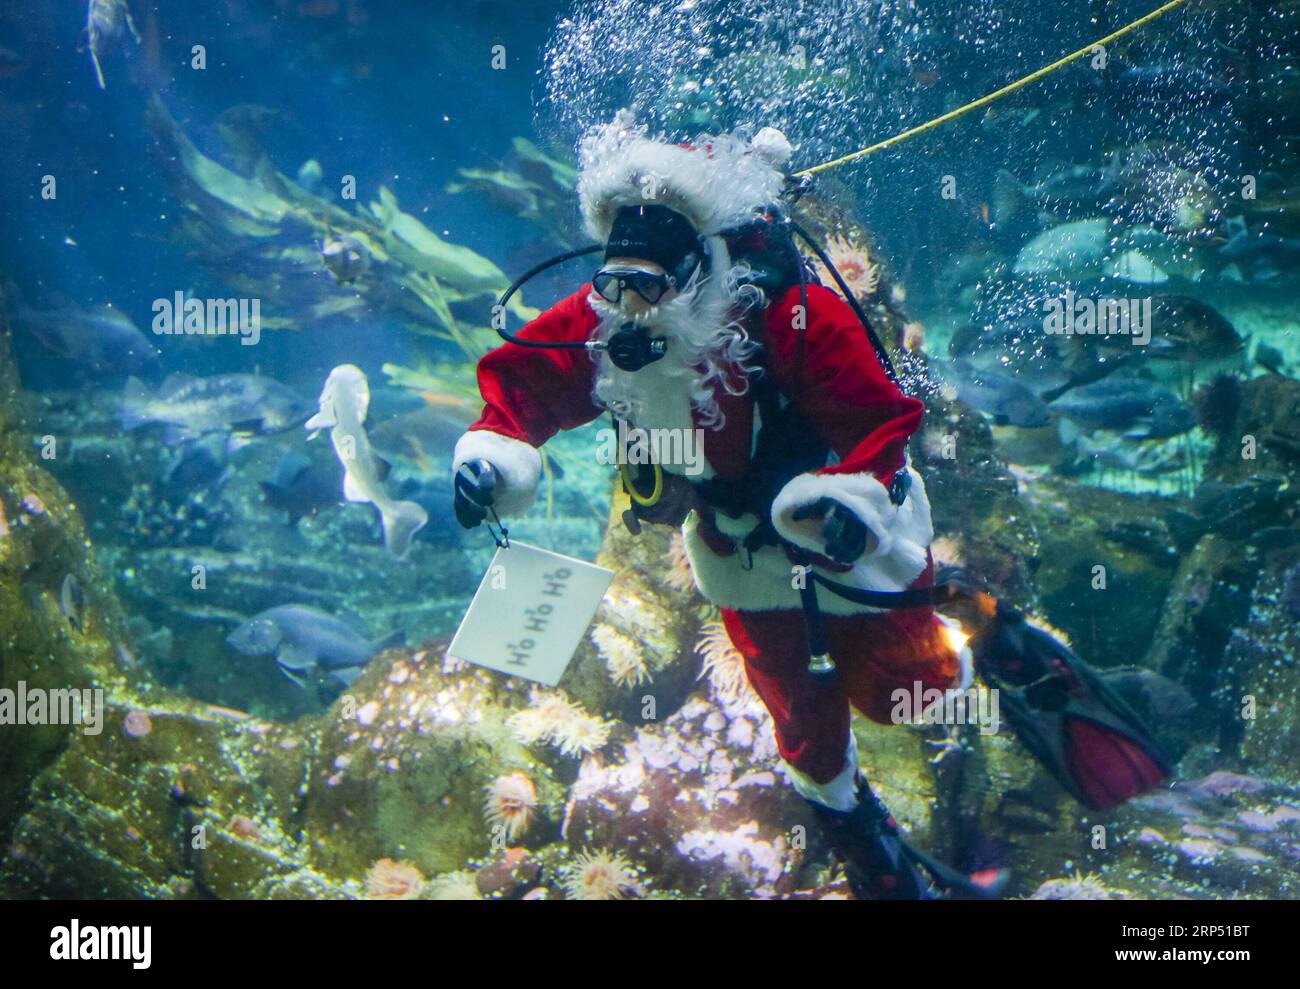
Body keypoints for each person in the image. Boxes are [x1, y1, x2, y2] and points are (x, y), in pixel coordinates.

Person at [451, 111, 1166, 898]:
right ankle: (861, 837)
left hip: (849, 537)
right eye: (619, 285)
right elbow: (521, 386)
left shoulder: (791, 315)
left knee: (906, 691)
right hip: (739, 558)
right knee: (798, 714)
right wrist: (492, 454)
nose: (636, 309)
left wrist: (851, 503)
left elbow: (880, 415)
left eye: (652, 287)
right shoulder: (600, 320)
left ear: (699, 265)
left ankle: (988, 631)